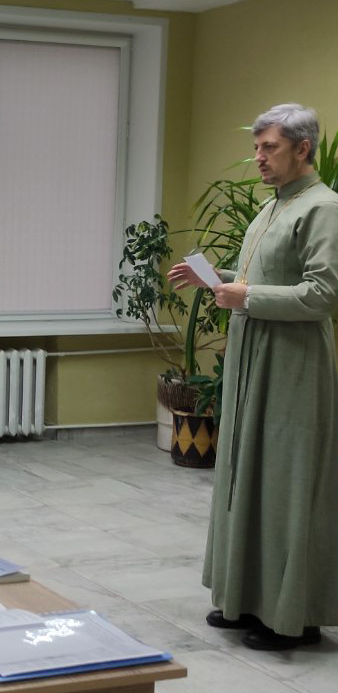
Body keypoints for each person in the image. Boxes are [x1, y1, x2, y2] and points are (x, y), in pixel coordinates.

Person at [167, 103, 338, 651]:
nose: (258, 157)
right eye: (257, 147)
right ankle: (246, 599)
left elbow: (323, 294)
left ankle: (294, 618)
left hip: (292, 363)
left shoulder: (323, 208)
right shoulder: (272, 206)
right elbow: (259, 279)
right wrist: (217, 280)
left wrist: (247, 296)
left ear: (302, 149)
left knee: (286, 482)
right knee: (247, 473)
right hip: (251, 356)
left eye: (269, 147)